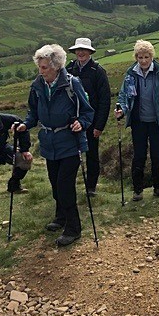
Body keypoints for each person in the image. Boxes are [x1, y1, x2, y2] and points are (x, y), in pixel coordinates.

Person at [15, 44, 94, 247]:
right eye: (39, 67)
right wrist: (26, 124)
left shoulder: (71, 84)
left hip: (69, 142)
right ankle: (60, 217)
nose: (40, 71)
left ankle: (73, 228)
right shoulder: (37, 86)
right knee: (54, 184)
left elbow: (87, 112)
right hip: (49, 143)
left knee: (65, 186)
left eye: (44, 67)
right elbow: (34, 112)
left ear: (57, 66)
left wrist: (81, 123)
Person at [115, 40, 159, 201]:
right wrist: (121, 109)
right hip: (139, 122)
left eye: (146, 57)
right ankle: (138, 190)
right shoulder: (131, 74)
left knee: (158, 155)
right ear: (136, 57)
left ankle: (158, 187)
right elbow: (124, 95)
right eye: (140, 57)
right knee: (139, 155)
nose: (143, 60)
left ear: (152, 57)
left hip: (158, 121)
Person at [66, 38, 111, 197]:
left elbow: (105, 100)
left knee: (92, 155)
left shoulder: (98, 71)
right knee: (70, 155)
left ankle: (91, 187)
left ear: (90, 52)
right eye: (78, 50)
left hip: (91, 122)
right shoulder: (69, 69)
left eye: (84, 50)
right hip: (72, 121)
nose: (80, 52)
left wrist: (99, 126)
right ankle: (68, 184)